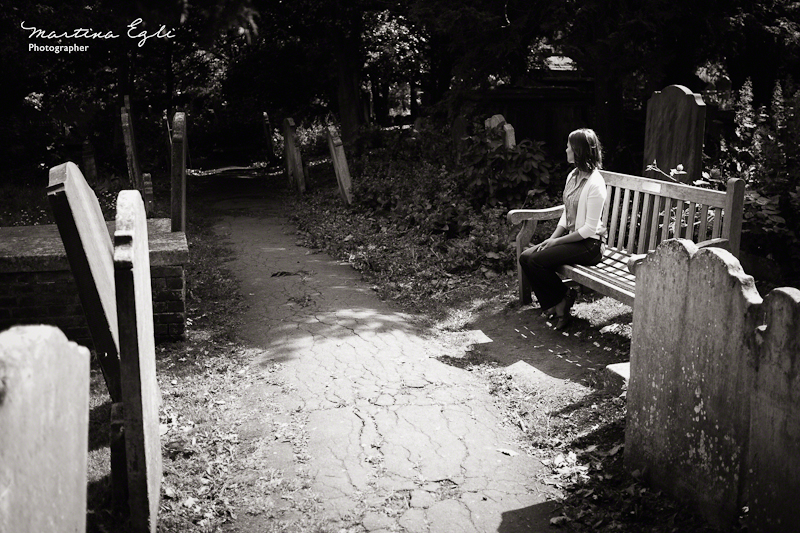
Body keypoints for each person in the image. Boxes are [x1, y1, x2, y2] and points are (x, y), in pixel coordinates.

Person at [519, 128, 607, 330]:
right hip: (574, 239)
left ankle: (561, 303)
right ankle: (560, 299)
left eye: (569, 146)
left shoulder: (595, 184)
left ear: (579, 150)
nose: (565, 149)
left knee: (537, 261)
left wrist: (556, 242)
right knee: (526, 257)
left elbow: (588, 230)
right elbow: (567, 213)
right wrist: (551, 239)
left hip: (590, 245)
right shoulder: (572, 176)